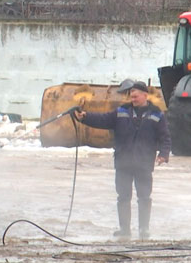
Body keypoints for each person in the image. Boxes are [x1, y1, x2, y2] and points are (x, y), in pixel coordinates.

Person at [73, 80, 171, 240]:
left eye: (136, 96)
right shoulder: (121, 111)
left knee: (144, 197)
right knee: (123, 197)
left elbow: (165, 136)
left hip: (144, 164)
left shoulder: (157, 114)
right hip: (123, 163)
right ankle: (125, 229)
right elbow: (103, 120)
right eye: (131, 96)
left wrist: (164, 154)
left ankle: (144, 229)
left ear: (145, 95)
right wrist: (85, 117)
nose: (133, 99)